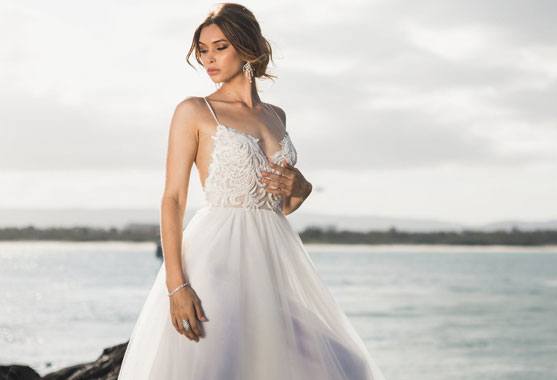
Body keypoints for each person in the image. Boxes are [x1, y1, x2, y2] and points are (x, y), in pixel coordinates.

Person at [117, 3, 386, 379]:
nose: (208, 59)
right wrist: (176, 286)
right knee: (217, 368)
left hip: (272, 260)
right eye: (203, 50)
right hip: (216, 260)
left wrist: (302, 188)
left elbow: (277, 205)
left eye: (220, 47)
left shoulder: (277, 115)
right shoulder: (195, 111)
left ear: (247, 48)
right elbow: (173, 199)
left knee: (345, 365)